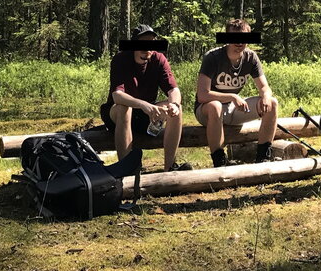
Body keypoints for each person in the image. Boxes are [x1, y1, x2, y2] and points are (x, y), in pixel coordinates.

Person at [99, 24, 190, 172]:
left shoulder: (159, 59)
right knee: (124, 109)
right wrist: (142, 105)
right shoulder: (121, 59)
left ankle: (170, 167)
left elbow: (173, 89)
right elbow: (117, 96)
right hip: (117, 113)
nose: (146, 49)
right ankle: (127, 168)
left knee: (176, 109)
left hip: (146, 113)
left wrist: (173, 104)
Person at [195, 18, 279, 167]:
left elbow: (265, 87)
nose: (239, 43)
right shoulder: (212, 57)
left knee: (272, 103)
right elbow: (202, 95)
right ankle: (219, 161)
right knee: (215, 106)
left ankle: (263, 157)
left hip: (233, 109)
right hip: (207, 110)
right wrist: (232, 96)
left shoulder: (251, 57)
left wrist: (265, 96)